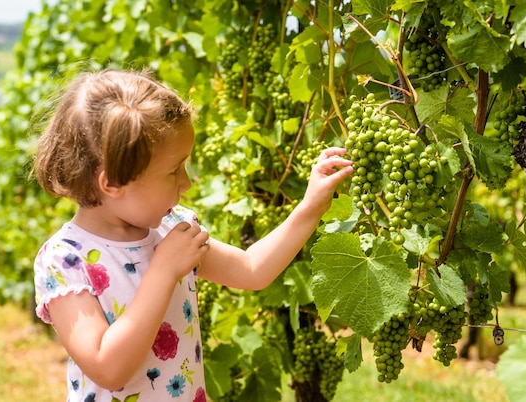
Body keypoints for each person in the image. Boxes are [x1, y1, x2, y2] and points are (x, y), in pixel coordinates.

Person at [32, 68, 353, 402]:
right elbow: (107, 368)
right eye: (173, 171)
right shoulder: (65, 260)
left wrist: (310, 207)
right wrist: (164, 270)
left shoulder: (173, 228)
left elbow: (252, 269)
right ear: (112, 183)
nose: (186, 183)